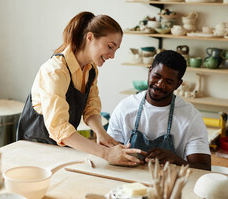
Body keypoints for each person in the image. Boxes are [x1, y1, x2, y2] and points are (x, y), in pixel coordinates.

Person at [16, 11, 142, 166]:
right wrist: (107, 153)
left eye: (115, 50)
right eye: (110, 47)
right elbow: (59, 128)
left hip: (60, 151)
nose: (112, 55)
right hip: (35, 151)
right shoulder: (55, 70)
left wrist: (101, 134)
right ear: (90, 37)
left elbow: (91, 108)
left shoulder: (91, 70)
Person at [107, 50, 211, 170]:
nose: (160, 84)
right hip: (128, 181)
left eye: (169, 81)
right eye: (157, 76)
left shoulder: (191, 117)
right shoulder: (125, 108)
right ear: (149, 71)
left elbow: (204, 168)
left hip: (169, 183)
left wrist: (175, 159)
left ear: (178, 84)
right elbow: (110, 154)